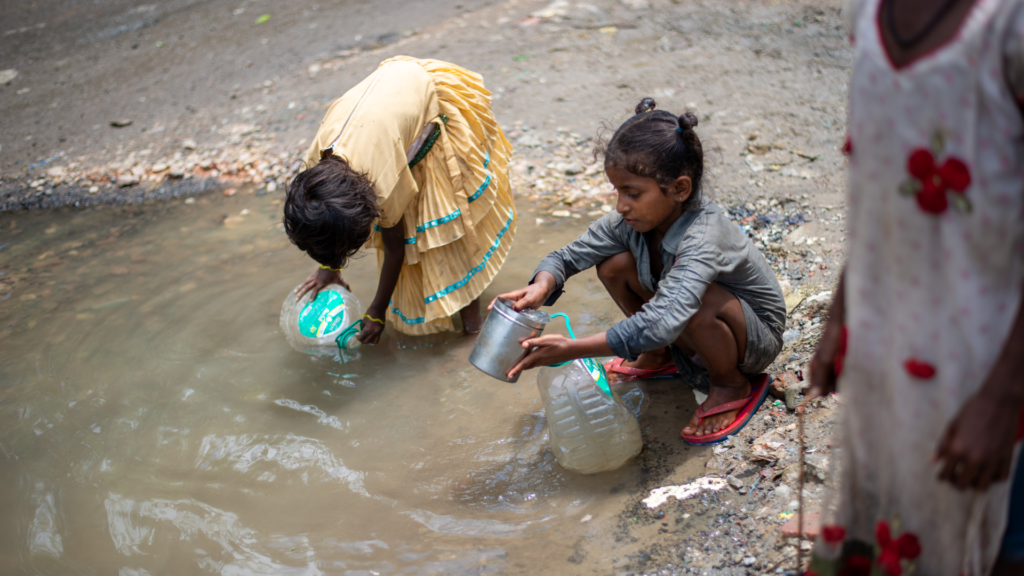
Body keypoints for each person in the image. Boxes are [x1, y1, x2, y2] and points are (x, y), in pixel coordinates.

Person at [804, 0, 1024, 574]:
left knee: (994, 542)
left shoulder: (1009, 28)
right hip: (895, 340)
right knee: (900, 520)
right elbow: (880, 188)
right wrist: (840, 314)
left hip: (996, 360)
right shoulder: (870, 16)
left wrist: (1004, 397)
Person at [497, 98, 786, 444]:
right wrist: (542, 286)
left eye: (632, 193)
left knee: (693, 301)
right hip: (685, 320)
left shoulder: (705, 235)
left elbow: (667, 316)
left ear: (679, 189)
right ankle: (659, 353)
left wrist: (574, 348)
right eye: (617, 191)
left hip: (754, 340)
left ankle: (729, 384)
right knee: (613, 264)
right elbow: (567, 256)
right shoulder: (630, 222)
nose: (621, 205)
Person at [283, 56, 516, 344]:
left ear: (369, 211)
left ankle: (473, 331)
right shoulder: (312, 173)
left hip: (431, 98)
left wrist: (377, 311)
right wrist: (328, 268)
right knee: (423, 226)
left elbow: (396, 248)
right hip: (392, 95)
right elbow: (324, 220)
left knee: (448, 231)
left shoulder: (381, 183)